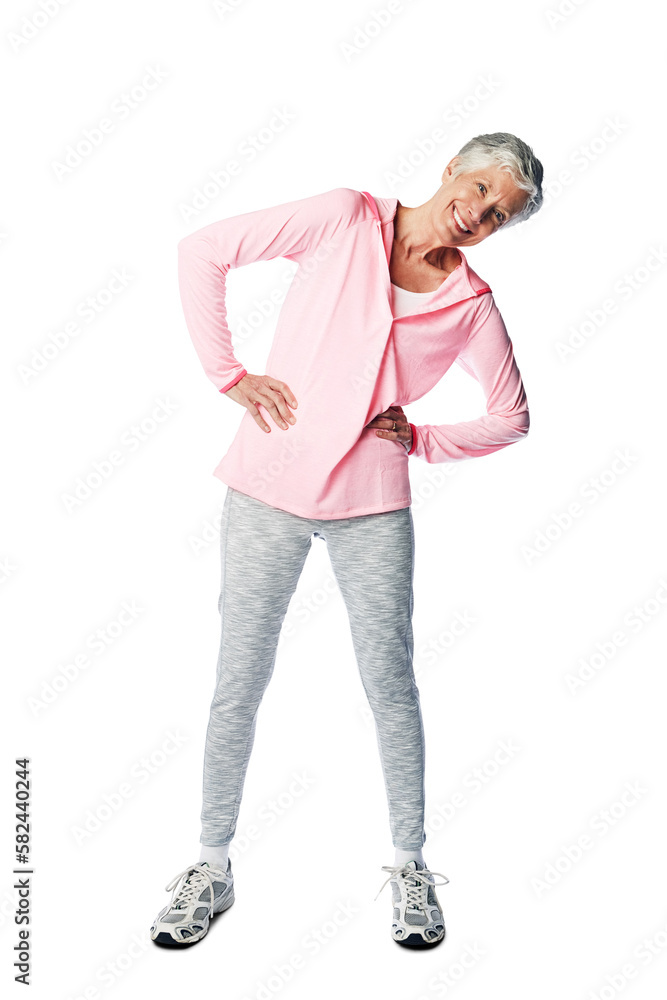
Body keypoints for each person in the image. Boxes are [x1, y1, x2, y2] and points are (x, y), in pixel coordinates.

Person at [150, 132, 544, 949]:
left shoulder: (468, 305)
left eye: (500, 216)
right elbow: (202, 251)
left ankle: (409, 867)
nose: (480, 216)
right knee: (240, 673)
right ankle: (211, 865)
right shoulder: (342, 218)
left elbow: (511, 416)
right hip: (268, 485)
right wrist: (229, 375)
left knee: (388, 681)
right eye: (479, 193)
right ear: (450, 172)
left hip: (372, 504)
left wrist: (422, 440)